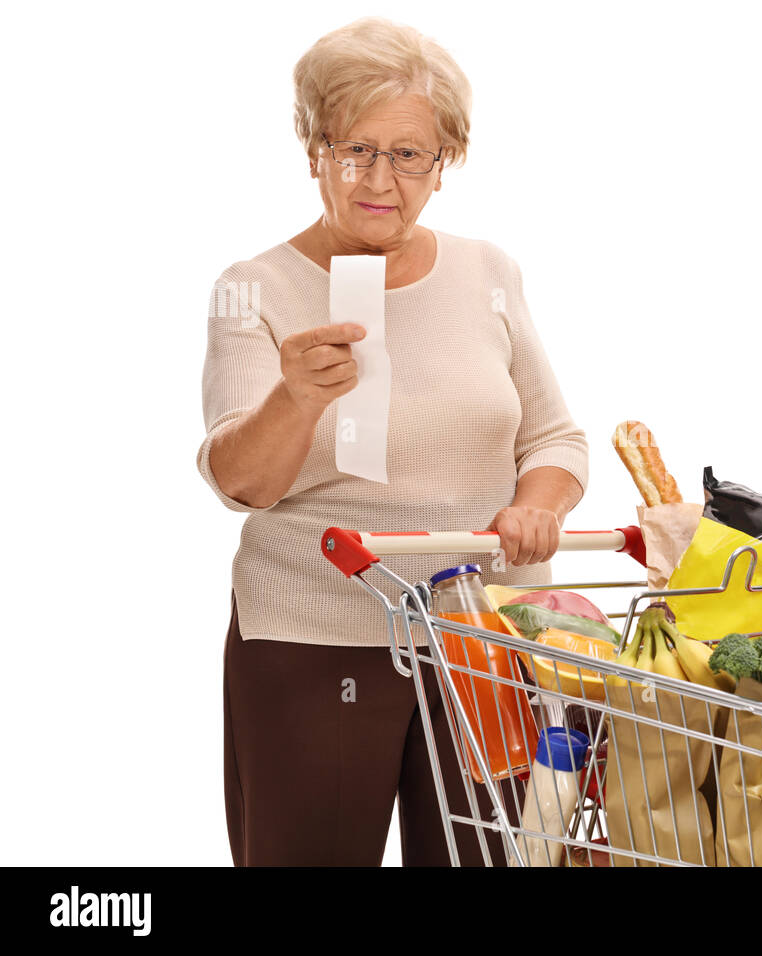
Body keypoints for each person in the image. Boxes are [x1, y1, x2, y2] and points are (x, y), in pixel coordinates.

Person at [197, 16, 588, 866]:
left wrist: (534, 505)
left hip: (482, 633)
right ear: (313, 150)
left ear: (443, 164)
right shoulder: (253, 288)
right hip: (317, 635)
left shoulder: (489, 272)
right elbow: (239, 481)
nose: (383, 179)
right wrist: (295, 399)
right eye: (356, 150)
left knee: (492, 857)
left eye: (410, 154)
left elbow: (556, 439)